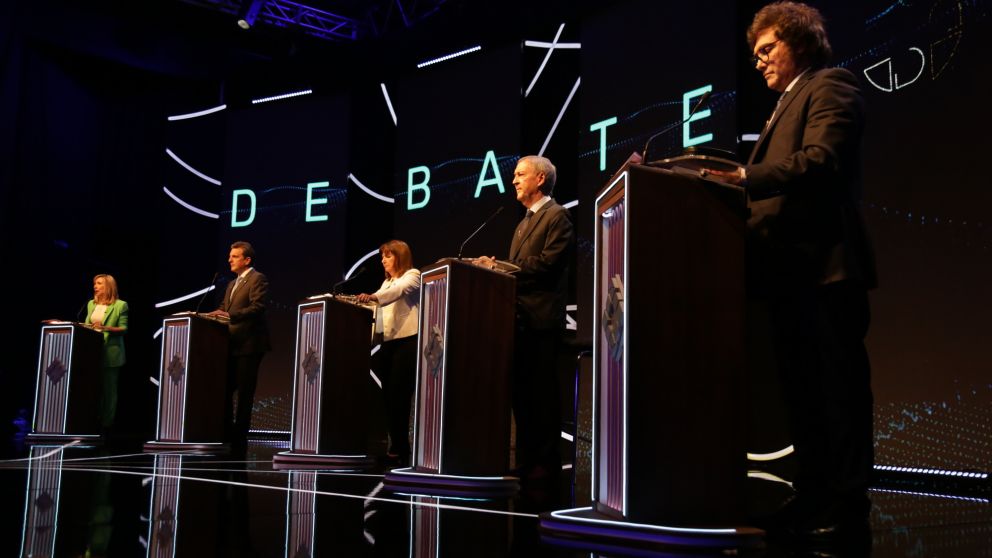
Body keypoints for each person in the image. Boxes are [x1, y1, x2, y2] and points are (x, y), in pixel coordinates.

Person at [703, 1, 877, 539]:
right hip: (786, 276)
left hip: (823, 267)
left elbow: (820, 160)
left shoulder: (830, 84)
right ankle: (813, 497)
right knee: (802, 393)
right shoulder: (781, 105)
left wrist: (742, 178)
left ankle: (846, 507)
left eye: (766, 49)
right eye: (754, 55)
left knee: (836, 390)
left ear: (798, 41)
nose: (758, 63)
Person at [476, 155, 574, 482]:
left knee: (541, 398)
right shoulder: (521, 224)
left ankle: (545, 466)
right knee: (521, 396)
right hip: (518, 323)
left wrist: (501, 266)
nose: (514, 180)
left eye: (520, 175)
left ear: (540, 179)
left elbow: (547, 265)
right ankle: (528, 460)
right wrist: (497, 266)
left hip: (542, 322)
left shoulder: (557, 216)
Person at [357, 240, 421, 465]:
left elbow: (398, 292)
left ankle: (401, 449)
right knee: (389, 399)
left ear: (400, 257)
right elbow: (377, 303)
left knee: (399, 398)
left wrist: (373, 297)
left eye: (388, 256)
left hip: (407, 343)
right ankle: (398, 446)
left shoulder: (412, 275)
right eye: (382, 256)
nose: (383, 260)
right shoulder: (386, 283)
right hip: (388, 345)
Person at [207, 241, 271, 451]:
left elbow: (258, 307)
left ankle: (239, 438)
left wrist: (229, 315)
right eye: (230, 256)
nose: (229, 260)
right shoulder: (231, 284)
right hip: (231, 344)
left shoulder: (257, 278)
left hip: (250, 344)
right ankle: (226, 432)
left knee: (245, 393)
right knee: (224, 389)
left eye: (234, 256)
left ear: (247, 260)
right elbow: (224, 309)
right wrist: (212, 315)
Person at [85, 274, 129, 431]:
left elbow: (124, 329)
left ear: (108, 286)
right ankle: (92, 419)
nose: (95, 286)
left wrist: (106, 328)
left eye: (99, 283)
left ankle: (107, 423)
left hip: (111, 352)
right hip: (93, 351)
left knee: (109, 390)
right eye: (94, 283)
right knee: (93, 386)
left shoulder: (120, 305)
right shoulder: (91, 304)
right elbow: (87, 325)